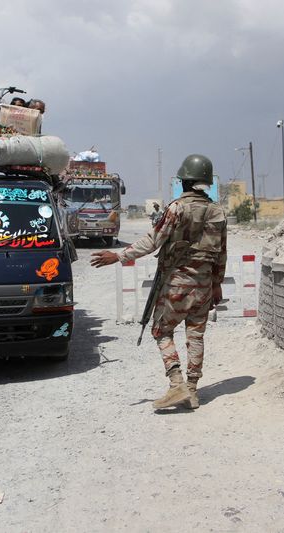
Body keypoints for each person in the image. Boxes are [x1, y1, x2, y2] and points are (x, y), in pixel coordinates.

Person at [91, 154, 227, 410]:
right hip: (205, 285)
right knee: (196, 336)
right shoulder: (217, 211)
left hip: (177, 284)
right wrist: (217, 283)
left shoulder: (177, 208)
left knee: (161, 331)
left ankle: (177, 384)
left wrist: (119, 255)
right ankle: (193, 391)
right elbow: (222, 253)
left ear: (184, 181)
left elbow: (153, 241)